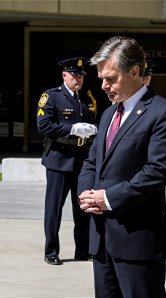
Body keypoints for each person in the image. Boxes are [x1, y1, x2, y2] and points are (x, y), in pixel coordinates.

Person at [78, 36, 166, 298]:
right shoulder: (108, 114)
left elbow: (158, 170)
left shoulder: (163, 113)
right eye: (102, 78)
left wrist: (109, 198)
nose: (103, 86)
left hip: (138, 241)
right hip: (102, 240)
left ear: (134, 72)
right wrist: (86, 194)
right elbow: (92, 161)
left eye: (110, 78)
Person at [37, 57, 98, 265]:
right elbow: (44, 126)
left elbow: (93, 123)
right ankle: (51, 250)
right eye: (74, 75)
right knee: (54, 209)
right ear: (64, 75)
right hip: (59, 159)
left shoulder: (86, 97)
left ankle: (82, 249)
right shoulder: (52, 96)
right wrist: (72, 129)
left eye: (81, 75)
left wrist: (93, 129)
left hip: (81, 159)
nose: (78, 79)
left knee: (82, 208)